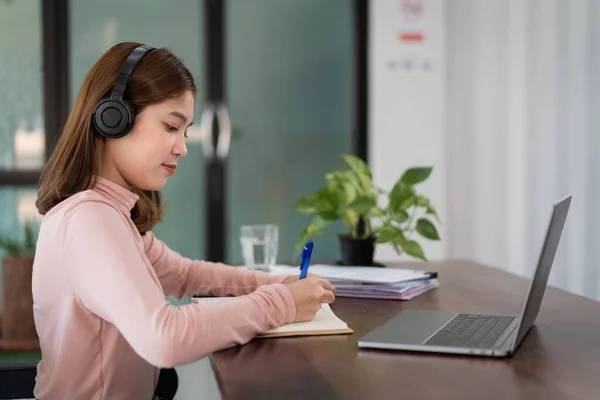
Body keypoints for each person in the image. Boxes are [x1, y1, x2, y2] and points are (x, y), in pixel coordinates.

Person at [31, 42, 336, 400]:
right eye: (171, 127)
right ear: (113, 117)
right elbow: (165, 337)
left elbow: (188, 276)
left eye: (185, 132)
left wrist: (278, 282)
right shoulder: (88, 220)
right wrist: (280, 301)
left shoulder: (111, 215)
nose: (182, 147)